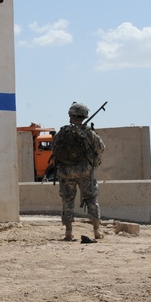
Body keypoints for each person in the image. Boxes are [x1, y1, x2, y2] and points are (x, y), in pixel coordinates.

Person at [51, 102, 106, 241]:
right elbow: (101, 148)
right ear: (84, 116)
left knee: (67, 200)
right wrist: (94, 162)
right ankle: (97, 231)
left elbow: (54, 148)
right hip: (84, 171)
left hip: (65, 171)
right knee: (91, 198)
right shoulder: (89, 133)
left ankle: (68, 232)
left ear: (71, 115)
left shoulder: (62, 132)